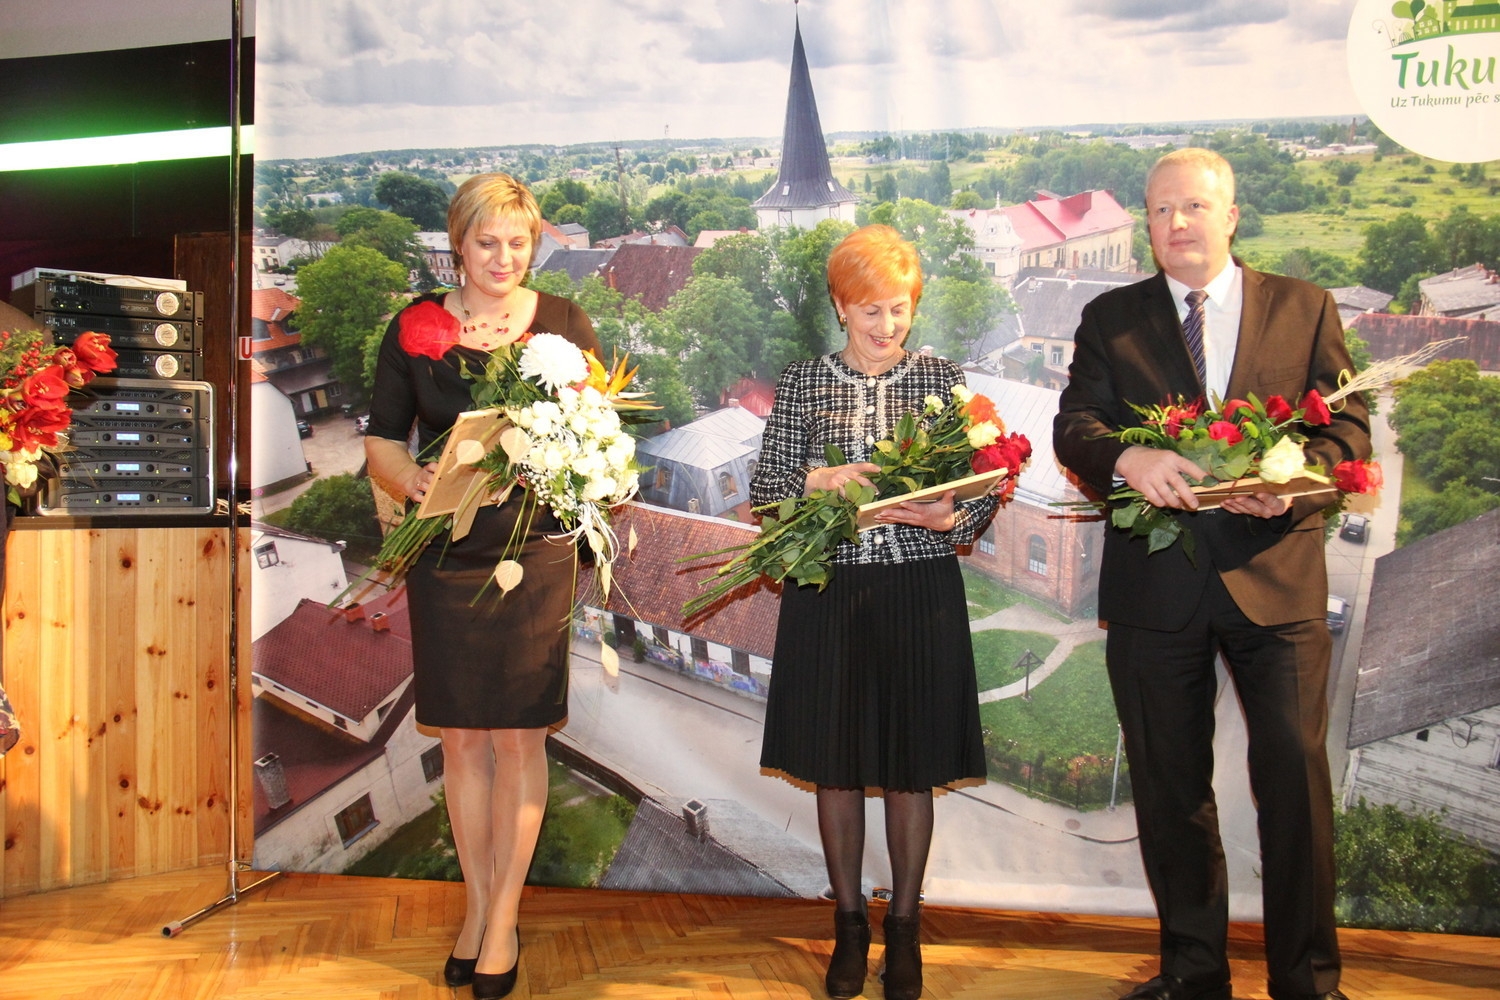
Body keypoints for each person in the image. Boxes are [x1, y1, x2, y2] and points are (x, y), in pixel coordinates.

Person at [1054, 148, 1369, 1000]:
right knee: (1169, 790)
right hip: (1158, 593)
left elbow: (1349, 432)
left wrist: (1292, 485)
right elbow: (1075, 426)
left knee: (1295, 787)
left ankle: (1308, 981)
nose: (1176, 225)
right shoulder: (1111, 318)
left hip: (1277, 581)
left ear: (1232, 215)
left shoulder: (1304, 309)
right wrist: (1128, 456)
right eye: (1159, 211)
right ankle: (1194, 974)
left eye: (1194, 207)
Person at [750, 225, 1001, 1000]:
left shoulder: (943, 381)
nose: (887, 327)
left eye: (898, 310)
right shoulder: (801, 384)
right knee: (835, 766)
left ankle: (907, 929)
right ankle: (850, 926)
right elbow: (767, 496)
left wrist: (947, 520)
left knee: (908, 769)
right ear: (839, 306)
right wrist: (823, 482)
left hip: (919, 592)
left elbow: (974, 502)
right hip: (829, 595)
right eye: (869, 313)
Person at [365, 173, 598, 1000]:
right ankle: (474, 906)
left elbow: (595, 430)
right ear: (456, 243)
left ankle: (502, 921)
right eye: (487, 241)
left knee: (519, 740)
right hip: (446, 552)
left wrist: (570, 462)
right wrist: (418, 491)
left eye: (519, 241)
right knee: (462, 740)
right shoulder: (416, 327)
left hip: (534, 551)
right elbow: (384, 442)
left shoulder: (565, 325)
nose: (504, 257)